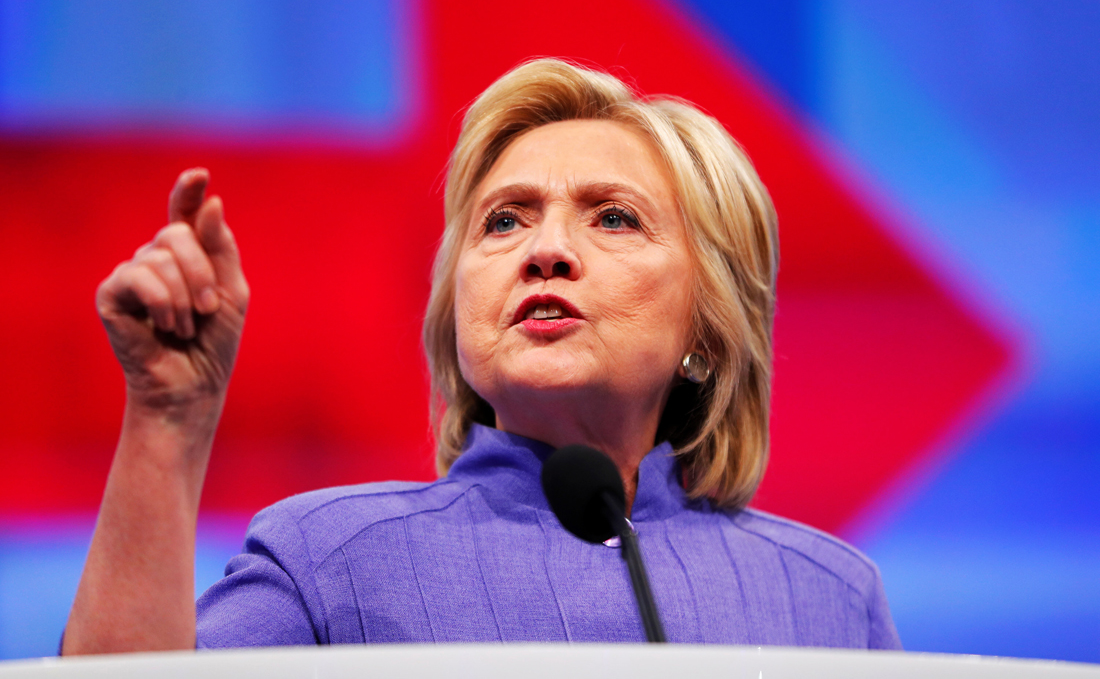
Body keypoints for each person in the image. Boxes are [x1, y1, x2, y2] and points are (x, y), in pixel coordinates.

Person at [63, 59, 901, 653]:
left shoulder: (828, 598)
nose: (546, 251)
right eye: (504, 220)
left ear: (708, 328)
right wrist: (167, 422)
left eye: (612, 217)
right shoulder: (329, 559)